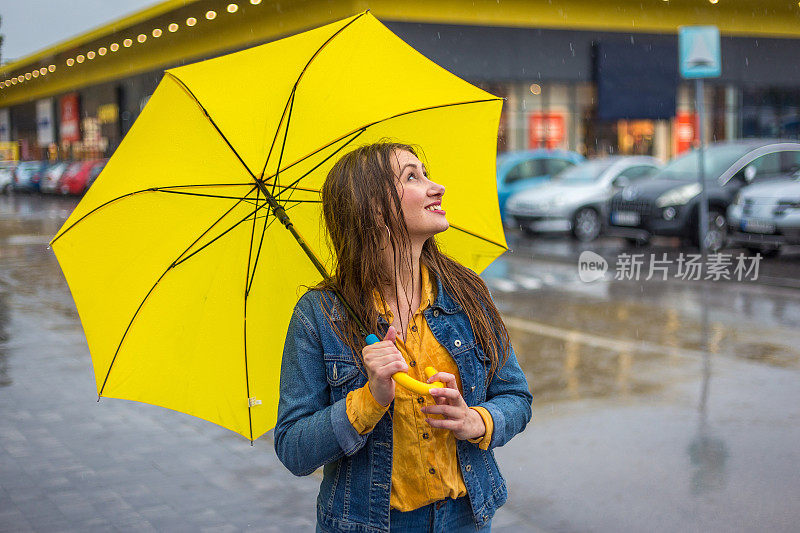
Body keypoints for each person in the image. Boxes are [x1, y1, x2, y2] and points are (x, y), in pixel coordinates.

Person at [274, 141, 533, 532]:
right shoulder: (320, 315)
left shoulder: (467, 293)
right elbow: (294, 448)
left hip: (467, 517)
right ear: (374, 208)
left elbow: (516, 397)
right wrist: (369, 399)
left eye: (425, 173)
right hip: (370, 524)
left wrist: (474, 421)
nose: (437, 187)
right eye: (413, 177)